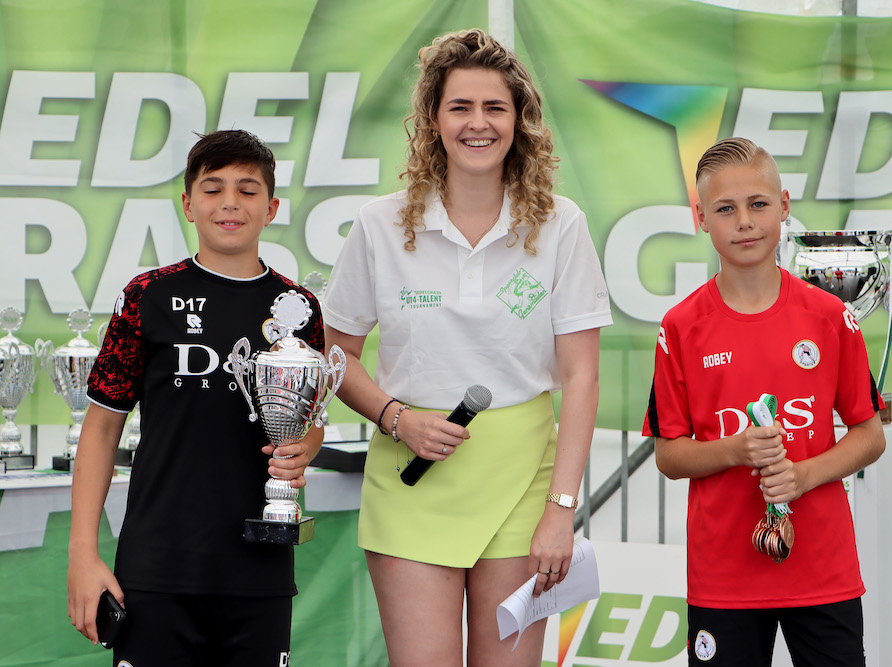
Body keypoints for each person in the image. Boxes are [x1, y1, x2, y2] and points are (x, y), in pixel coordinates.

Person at [321, 29, 612, 666]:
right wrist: (397, 418)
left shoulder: (561, 225)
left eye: (494, 108)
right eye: (460, 107)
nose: (478, 124)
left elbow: (582, 378)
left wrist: (561, 509)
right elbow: (335, 356)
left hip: (525, 482)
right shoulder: (379, 224)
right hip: (410, 477)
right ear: (433, 118)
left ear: (519, 120)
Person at [67, 129, 325, 666]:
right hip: (157, 568)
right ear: (187, 204)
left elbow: (309, 420)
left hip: (259, 570)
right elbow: (102, 427)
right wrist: (82, 553)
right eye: (213, 188)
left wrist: (306, 447)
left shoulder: (297, 309)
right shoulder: (146, 296)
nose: (230, 202)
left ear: (272, 208)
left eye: (248, 190)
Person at [643, 137, 886, 666]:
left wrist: (803, 476)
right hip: (724, 579)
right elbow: (669, 455)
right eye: (725, 209)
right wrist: (734, 450)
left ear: (784, 206)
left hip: (822, 572)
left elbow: (869, 435)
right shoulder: (680, 327)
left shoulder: (830, 317)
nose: (744, 222)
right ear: (701, 218)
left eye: (758, 204)